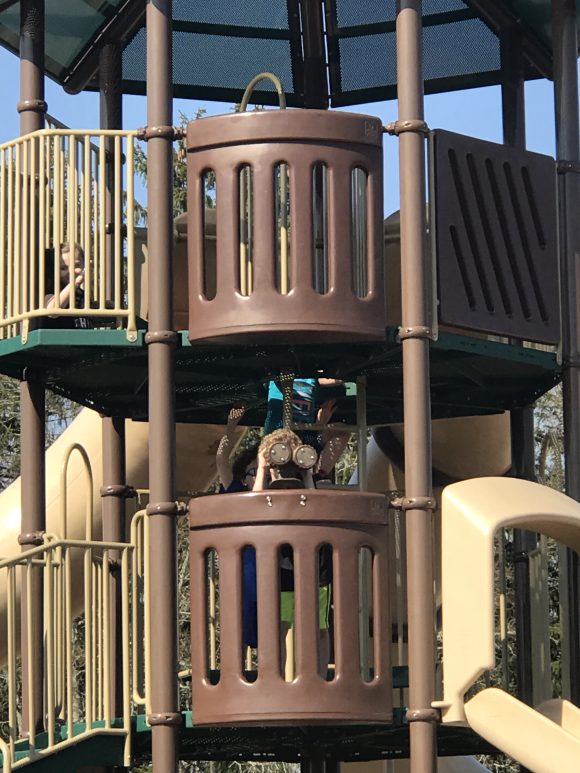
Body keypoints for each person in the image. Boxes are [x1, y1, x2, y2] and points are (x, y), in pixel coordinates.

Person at [253, 428, 331, 677]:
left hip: (313, 569)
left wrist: (306, 473)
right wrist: (263, 470)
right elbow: (252, 505)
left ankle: (319, 678)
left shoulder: (307, 491)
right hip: (280, 569)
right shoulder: (266, 493)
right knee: (278, 626)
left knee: (319, 627)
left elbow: (317, 510)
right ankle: (277, 679)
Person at [216, 404, 260, 649]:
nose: (259, 475)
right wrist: (232, 426)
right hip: (243, 567)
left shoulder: (276, 495)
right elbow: (221, 459)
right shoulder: (236, 492)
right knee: (242, 622)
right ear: (244, 476)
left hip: (268, 567)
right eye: (254, 471)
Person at [44, 243, 92, 329]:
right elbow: (52, 310)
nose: (70, 272)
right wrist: (76, 282)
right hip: (59, 341)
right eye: (63, 268)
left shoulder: (81, 294)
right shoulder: (52, 290)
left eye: (76, 265)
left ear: (85, 265)